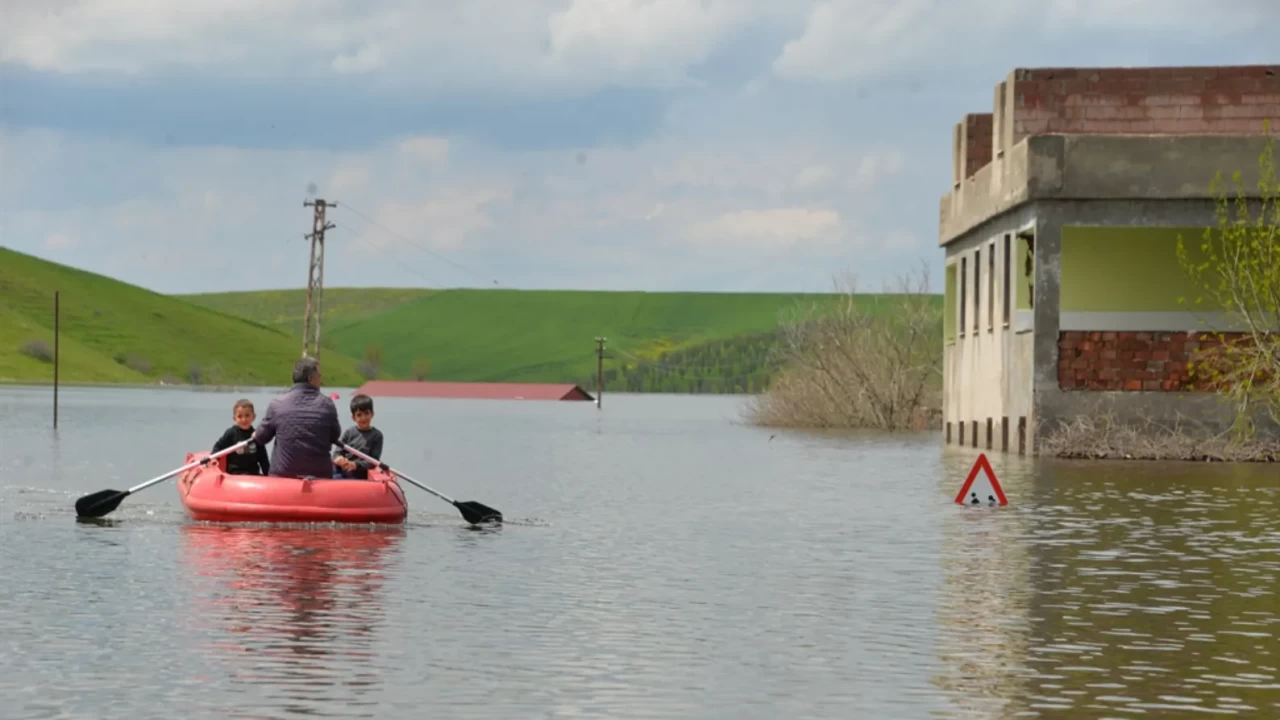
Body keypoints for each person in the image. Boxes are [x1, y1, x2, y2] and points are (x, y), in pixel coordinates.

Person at [253, 357, 343, 479]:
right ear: (311, 379)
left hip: (283, 476)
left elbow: (261, 438)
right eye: (319, 376)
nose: (321, 379)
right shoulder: (327, 404)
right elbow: (335, 436)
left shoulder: (277, 404)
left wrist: (255, 434)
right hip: (320, 477)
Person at [211, 398, 272, 475]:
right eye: (240, 416)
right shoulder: (231, 433)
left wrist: (268, 474)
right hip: (235, 474)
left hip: (253, 474)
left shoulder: (257, 435)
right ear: (234, 418)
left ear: (253, 417)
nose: (244, 419)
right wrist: (215, 458)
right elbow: (218, 446)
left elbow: (263, 458)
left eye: (247, 415)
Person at [332, 393, 385, 479]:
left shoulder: (377, 436)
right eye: (359, 415)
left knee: (340, 477)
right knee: (333, 474)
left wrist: (355, 465)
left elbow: (374, 461)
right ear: (353, 417)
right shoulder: (348, 433)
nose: (363, 418)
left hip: (358, 473)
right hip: (344, 468)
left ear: (372, 414)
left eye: (366, 413)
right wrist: (339, 458)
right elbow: (337, 452)